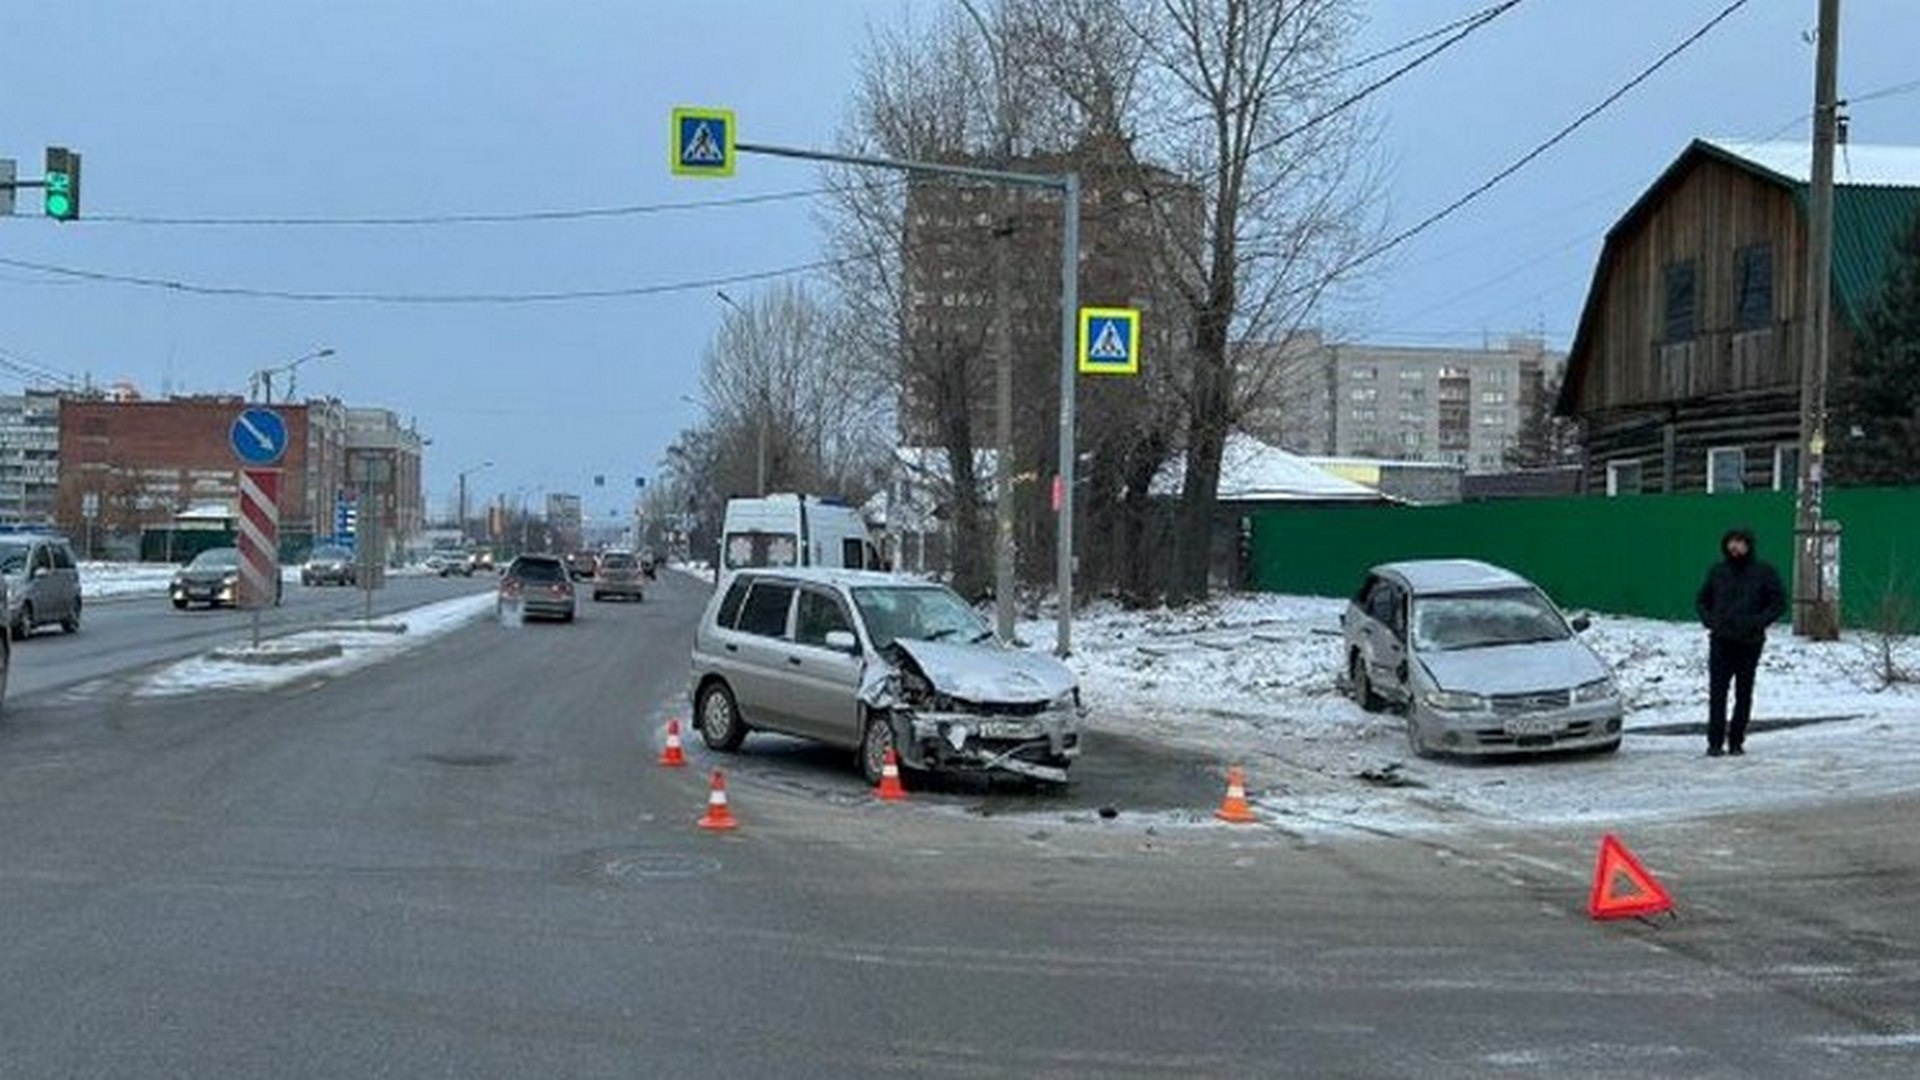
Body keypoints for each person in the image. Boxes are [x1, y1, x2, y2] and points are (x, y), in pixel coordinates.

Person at [1694, 526, 1787, 757]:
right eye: (1731, 542)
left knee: (1743, 692)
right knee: (1718, 693)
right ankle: (1715, 742)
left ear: (1748, 545)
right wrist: (1711, 621)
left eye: (1740, 542)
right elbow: (1702, 600)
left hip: (1749, 641)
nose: (1735, 547)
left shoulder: (1764, 572)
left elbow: (1778, 603)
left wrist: (1758, 622)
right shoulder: (1718, 572)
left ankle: (1736, 741)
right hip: (1721, 640)